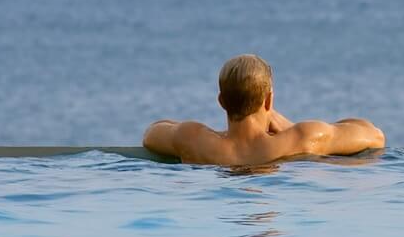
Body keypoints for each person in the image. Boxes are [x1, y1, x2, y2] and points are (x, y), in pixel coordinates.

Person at [142, 54, 384, 167]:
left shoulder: (193, 140)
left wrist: (217, 134)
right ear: (268, 101)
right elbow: (374, 135)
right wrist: (286, 126)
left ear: (221, 102)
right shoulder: (303, 139)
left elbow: (152, 133)